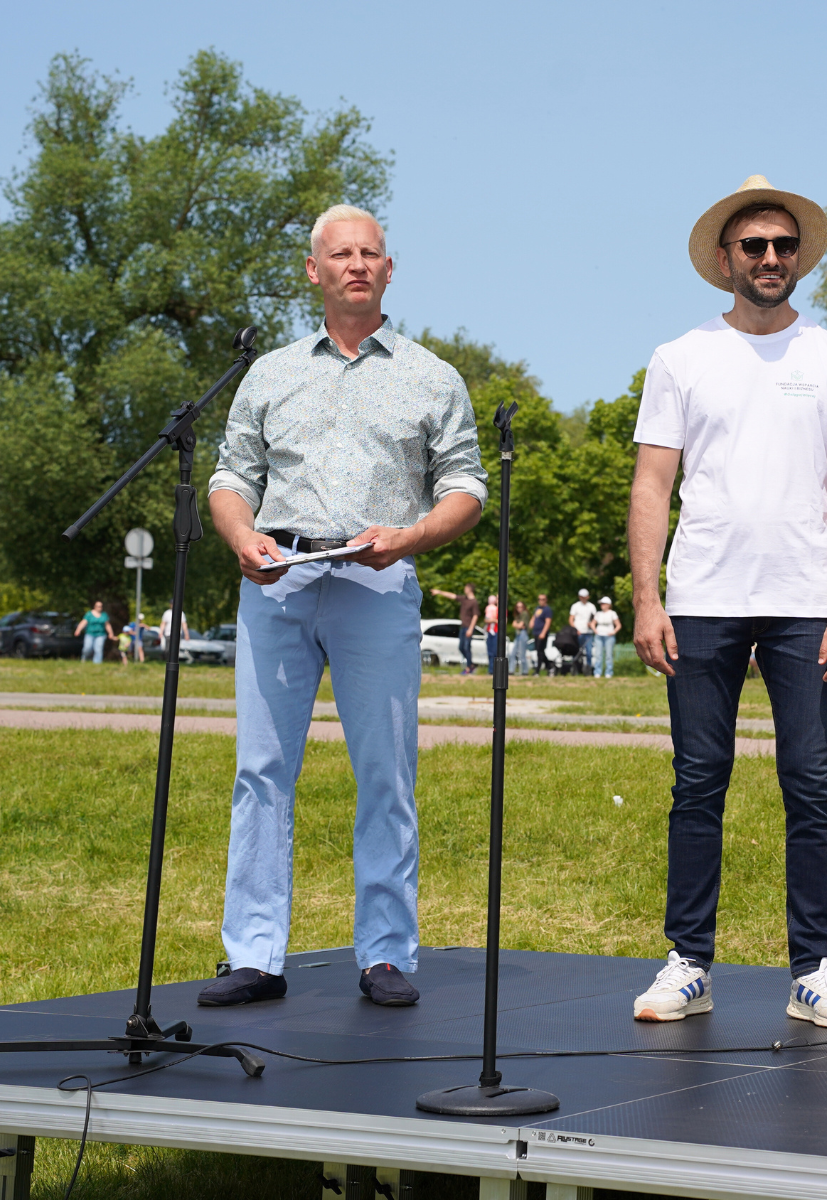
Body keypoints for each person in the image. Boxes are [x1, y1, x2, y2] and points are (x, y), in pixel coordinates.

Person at [199, 203, 486, 1008]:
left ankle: (386, 954)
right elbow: (231, 476)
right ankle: (254, 955)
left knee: (386, 772)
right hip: (278, 578)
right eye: (341, 254)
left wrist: (410, 536)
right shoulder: (270, 373)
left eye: (370, 253)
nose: (357, 265)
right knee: (261, 770)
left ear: (389, 270)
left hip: (377, 581)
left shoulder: (431, 375)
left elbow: (466, 485)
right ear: (313, 270)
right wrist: (241, 537)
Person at [628, 175, 827, 1029]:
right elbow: (652, 486)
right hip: (702, 598)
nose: (771, 257)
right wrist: (648, 597)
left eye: (784, 245)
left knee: (811, 784)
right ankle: (688, 964)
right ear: (725, 258)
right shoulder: (680, 358)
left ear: (798, 257)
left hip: (808, 602)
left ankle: (816, 971)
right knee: (699, 781)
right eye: (755, 245)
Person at [430, 584, 479, 674]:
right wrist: (439, 592)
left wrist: (471, 629)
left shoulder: (474, 602)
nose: (464, 590)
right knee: (461, 647)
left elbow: (475, 616)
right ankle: (471, 665)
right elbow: (452, 596)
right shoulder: (464, 599)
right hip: (463, 627)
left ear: (470, 589)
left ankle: (469, 668)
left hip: (468, 627)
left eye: (466, 588)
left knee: (466, 647)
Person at [591, 596, 620, 678]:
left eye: (603, 603)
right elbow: (593, 623)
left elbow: (618, 625)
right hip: (599, 636)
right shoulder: (598, 614)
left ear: (608, 604)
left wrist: (613, 632)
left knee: (608, 655)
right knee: (598, 655)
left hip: (609, 637)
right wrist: (595, 630)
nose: (602, 605)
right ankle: (597, 672)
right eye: (601, 604)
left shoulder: (612, 613)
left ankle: (609, 672)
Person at [570, 588, 598, 674]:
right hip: (578, 633)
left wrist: (591, 624)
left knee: (589, 652)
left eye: (584, 596)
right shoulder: (575, 606)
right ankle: (575, 669)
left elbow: (595, 619)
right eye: (581, 596)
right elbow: (571, 620)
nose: (583, 598)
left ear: (588, 597)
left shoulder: (592, 606)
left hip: (588, 633)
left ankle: (588, 670)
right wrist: (576, 630)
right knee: (576, 652)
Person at [529, 593, 553, 675]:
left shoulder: (547, 609)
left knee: (540, 652)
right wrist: (531, 622)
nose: (541, 601)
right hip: (536, 632)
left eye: (543, 599)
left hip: (542, 633)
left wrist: (543, 633)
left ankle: (537, 671)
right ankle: (550, 667)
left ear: (546, 600)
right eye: (539, 599)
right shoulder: (538, 608)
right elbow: (534, 617)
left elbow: (548, 622)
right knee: (540, 651)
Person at [510, 600, 532, 674]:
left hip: (523, 634)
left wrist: (518, 625)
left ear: (523, 607)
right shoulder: (517, 615)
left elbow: (519, 625)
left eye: (521, 607)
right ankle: (511, 670)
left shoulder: (524, 613)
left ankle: (525, 671)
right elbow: (514, 624)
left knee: (522, 654)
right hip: (518, 634)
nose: (519, 608)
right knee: (512, 653)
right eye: (518, 607)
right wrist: (518, 625)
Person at [484, 593, 501, 674]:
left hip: (496, 632)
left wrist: (493, 620)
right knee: (490, 652)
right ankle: (490, 670)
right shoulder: (492, 608)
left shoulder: (500, 610)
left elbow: (502, 621)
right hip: (490, 632)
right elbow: (486, 619)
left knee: (494, 652)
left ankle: (495, 670)